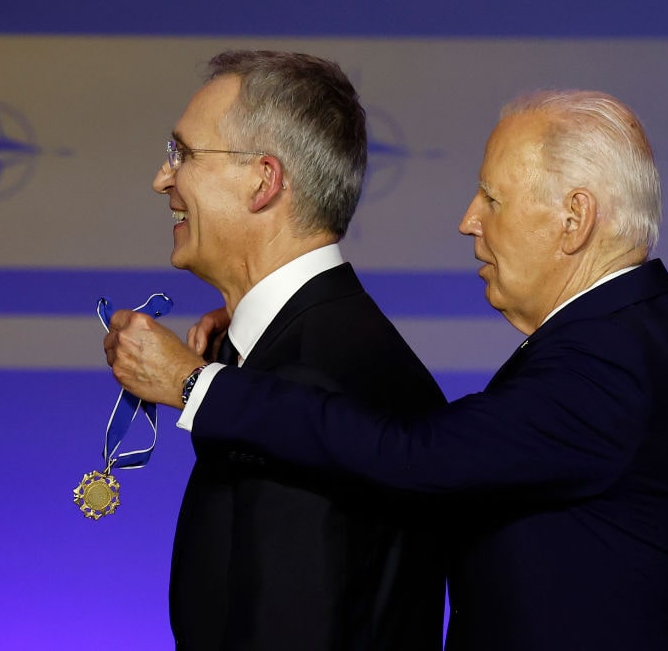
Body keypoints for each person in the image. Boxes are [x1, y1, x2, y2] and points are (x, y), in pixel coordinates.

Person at [107, 89, 668, 649]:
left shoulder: (615, 356)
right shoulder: (632, 334)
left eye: (492, 198)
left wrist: (195, 384)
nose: (468, 220)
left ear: (574, 219)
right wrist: (255, 333)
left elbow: (420, 457)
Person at [106, 50, 447, 651]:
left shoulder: (309, 377)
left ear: (263, 180)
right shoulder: (311, 345)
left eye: (182, 154)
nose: (163, 179)